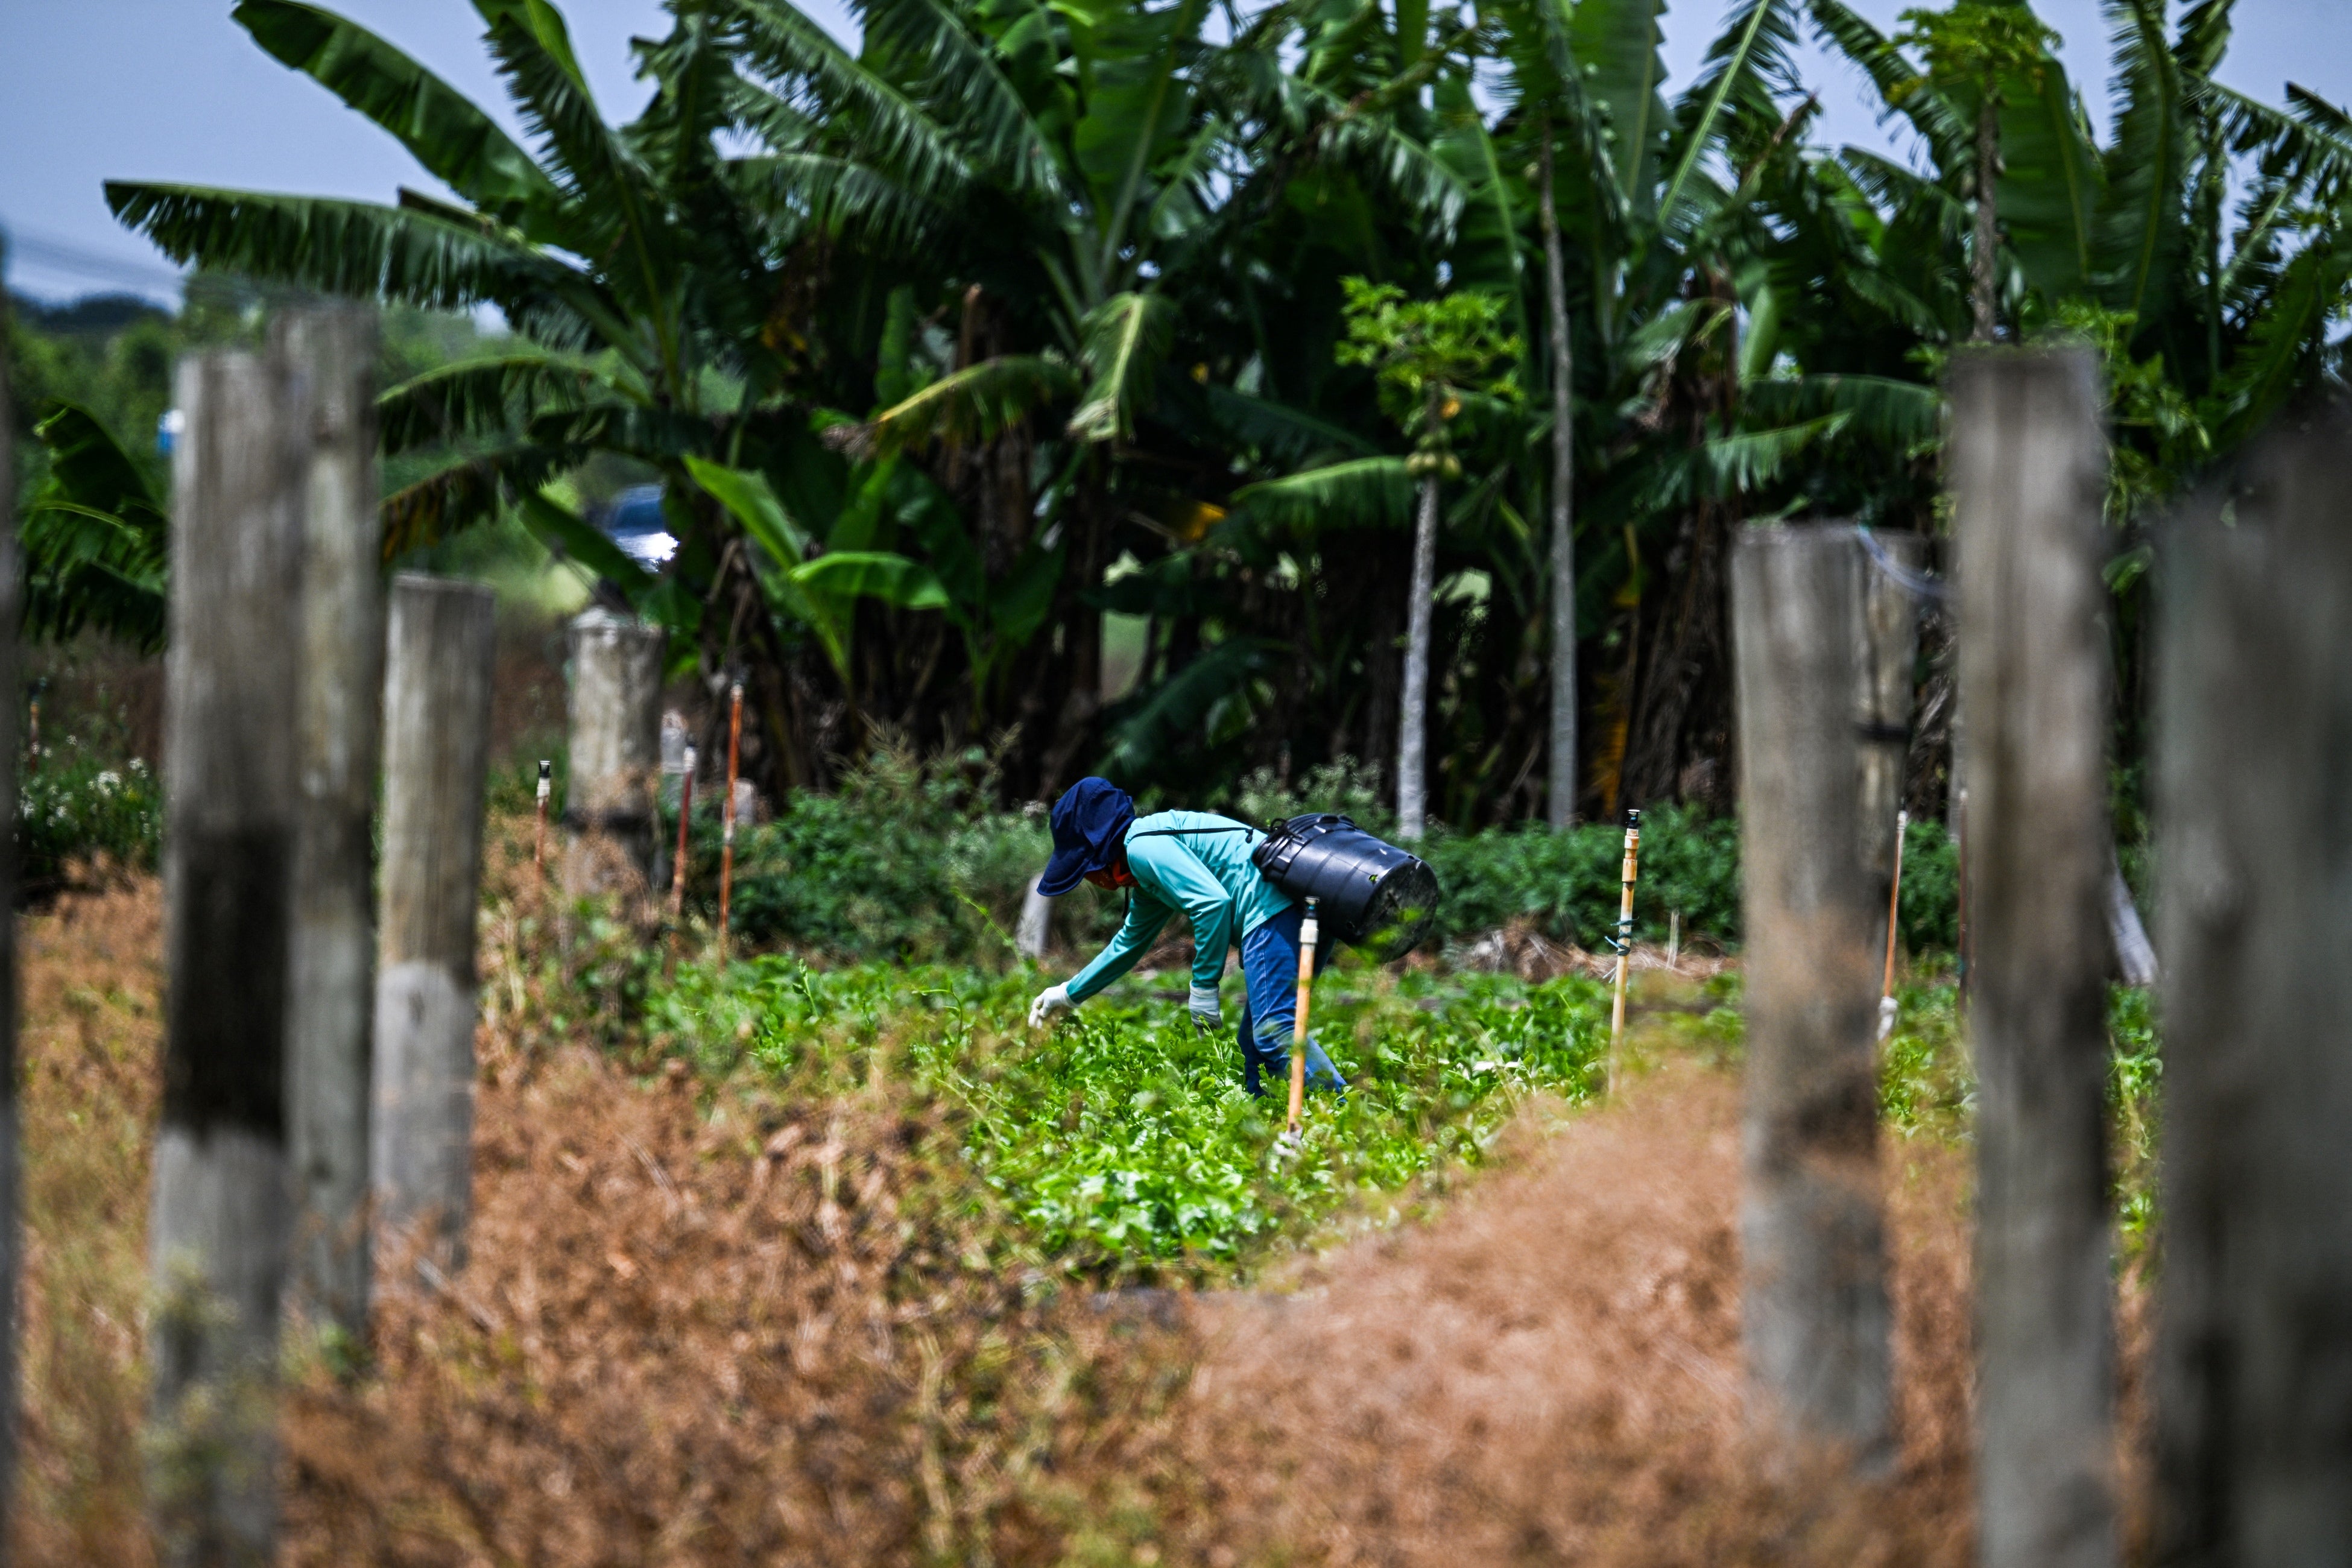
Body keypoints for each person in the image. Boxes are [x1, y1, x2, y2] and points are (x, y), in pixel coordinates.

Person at [1026, 777, 1347, 1098]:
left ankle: (1341, 1106)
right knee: (1256, 1046)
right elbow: (1128, 944)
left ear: (1098, 855)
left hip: (1273, 912)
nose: (1090, 880)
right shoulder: (1146, 866)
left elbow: (1212, 904)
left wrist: (1204, 986)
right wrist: (1069, 993)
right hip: (1300, 910)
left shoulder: (1142, 847)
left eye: (1084, 870)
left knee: (1273, 1033)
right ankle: (1272, 1131)